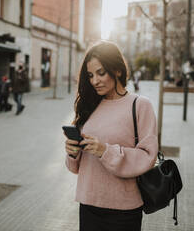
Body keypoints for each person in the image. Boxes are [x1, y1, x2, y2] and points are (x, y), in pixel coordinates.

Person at [64, 41, 158, 231]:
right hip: (89, 205)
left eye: (100, 73)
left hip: (123, 210)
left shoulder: (140, 105)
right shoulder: (89, 105)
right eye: (90, 75)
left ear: (117, 70)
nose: (94, 81)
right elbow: (75, 167)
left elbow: (148, 156)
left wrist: (105, 151)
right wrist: (72, 153)